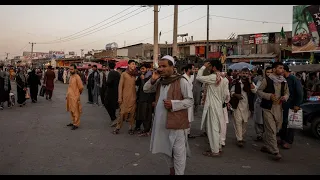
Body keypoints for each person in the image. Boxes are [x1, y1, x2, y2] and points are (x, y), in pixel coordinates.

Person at [143, 55, 193, 175]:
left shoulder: (181, 81)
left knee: (178, 153)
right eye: (159, 66)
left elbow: (190, 101)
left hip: (176, 124)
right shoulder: (160, 81)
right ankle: (172, 170)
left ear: (172, 67)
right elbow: (146, 89)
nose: (161, 69)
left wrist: (174, 104)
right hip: (161, 123)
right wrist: (153, 79)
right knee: (165, 150)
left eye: (164, 66)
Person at [257, 62, 289, 161]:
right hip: (268, 108)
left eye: (283, 68)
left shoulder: (284, 81)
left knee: (276, 128)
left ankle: (267, 146)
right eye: (280, 68)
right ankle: (275, 151)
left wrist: (285, 97)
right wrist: (269, 96)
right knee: (271, 129)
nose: (282, 70)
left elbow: (287, 92)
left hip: (278, 108)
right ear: (274, 69)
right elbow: (259, 91)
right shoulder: (267, 80)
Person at [196, 60, 228, 157]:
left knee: (212, 128)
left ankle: (214, 151)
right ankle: (217, 147)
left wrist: (203, 67)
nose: (209, 68)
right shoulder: (223, 79)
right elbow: (225, 95)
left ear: (214, 67)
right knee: (217, 128)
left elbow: (198, 78)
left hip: (213, 106)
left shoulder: (213, 77)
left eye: (210, 67)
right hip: (219, 105)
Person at [230, 68, 257, 147]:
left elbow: (255, 91)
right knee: (238, 122)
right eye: (243, 73)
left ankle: (241, 136)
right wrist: (236, 95)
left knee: (245, 122)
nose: (244, 75)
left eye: (246, 73)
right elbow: (231, 92)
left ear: (249, 75)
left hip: (247, 106)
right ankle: (239, 139)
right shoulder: (236, 82)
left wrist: (250, 81)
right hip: (237, 105)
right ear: (240, 74)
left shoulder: (250, 83)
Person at [278, 65, 303, 149]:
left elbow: (300, 93)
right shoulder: (282, 79)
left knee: (290, 124)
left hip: (291, 105)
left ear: (284, 70)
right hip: (283, 105)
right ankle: (282, 139)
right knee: (283, 123)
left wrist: (297, 105)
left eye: (281, 69)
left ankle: (288, 141)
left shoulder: (294, 79)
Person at [113, 60, 138, 135]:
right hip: (125, 97)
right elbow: (120, 86)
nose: (134, 66)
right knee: (122, 113)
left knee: (132, 114)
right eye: (133, 64)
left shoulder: (135, 75)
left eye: (135, 64)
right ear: (129, 65)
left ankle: (131, 128)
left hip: (133, 97)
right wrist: (120, 97)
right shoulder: (124, 74)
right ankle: (118, 127)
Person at [135, 63, 154, 136]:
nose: (141, 70)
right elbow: (136, 83)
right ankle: (139, 127)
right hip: (141, 98)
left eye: (143, 69)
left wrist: (143, 79)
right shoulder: (142, 76)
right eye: (141, 69)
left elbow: (145, 87)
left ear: (148, 69)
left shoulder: (150, 76)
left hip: (147, 99)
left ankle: (146, 130)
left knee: (146, 115)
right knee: (141, 114)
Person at [253, 67, 273, 141]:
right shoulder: (261, 80)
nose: (269, 74)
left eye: (271, 72)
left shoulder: (276, 81)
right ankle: (259, 134)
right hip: (260, 102)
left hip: (271, 104)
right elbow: (257, 90)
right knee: (258, 120)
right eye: (268, 72)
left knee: (268, 121)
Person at [66, 64, 84, 130]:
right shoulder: (71, 77)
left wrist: (77, 94)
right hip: (70, 97)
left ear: (75, 69)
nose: (71, 70)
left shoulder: (77, 77)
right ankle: (73, 122)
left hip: (75, 97)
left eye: (72, 69)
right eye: (70, 69)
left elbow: (81, 87)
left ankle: (76, 124)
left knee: (76, 111)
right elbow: (69, 87)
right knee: (71, 110)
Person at [104, 62, 121, 126]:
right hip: (116, 91)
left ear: (108, 67)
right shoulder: (117, 73)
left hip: (111, 92)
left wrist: (105, 83)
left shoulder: (111, 73)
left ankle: (113, 118)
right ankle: (114, 119)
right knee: (112, 105)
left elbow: (109, 82)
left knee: (107, 104)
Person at [182, 64, 196, 139]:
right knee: (186, 116)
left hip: (190, 99)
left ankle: (188, 132)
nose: (194, 71)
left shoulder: (192, 77)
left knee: (190, 117)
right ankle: (184, 133)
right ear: (188, 70)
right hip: (185, 99)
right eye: (192, 69)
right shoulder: (183, 78)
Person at [220, 72, 230, 147]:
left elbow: (227, 94)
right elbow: (227, 95)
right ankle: (222, 140)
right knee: (223, 124)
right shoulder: (225, 80)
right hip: (222, 105)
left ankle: (220, 140)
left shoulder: (224, 81)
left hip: (219, 105)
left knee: (220, 124)